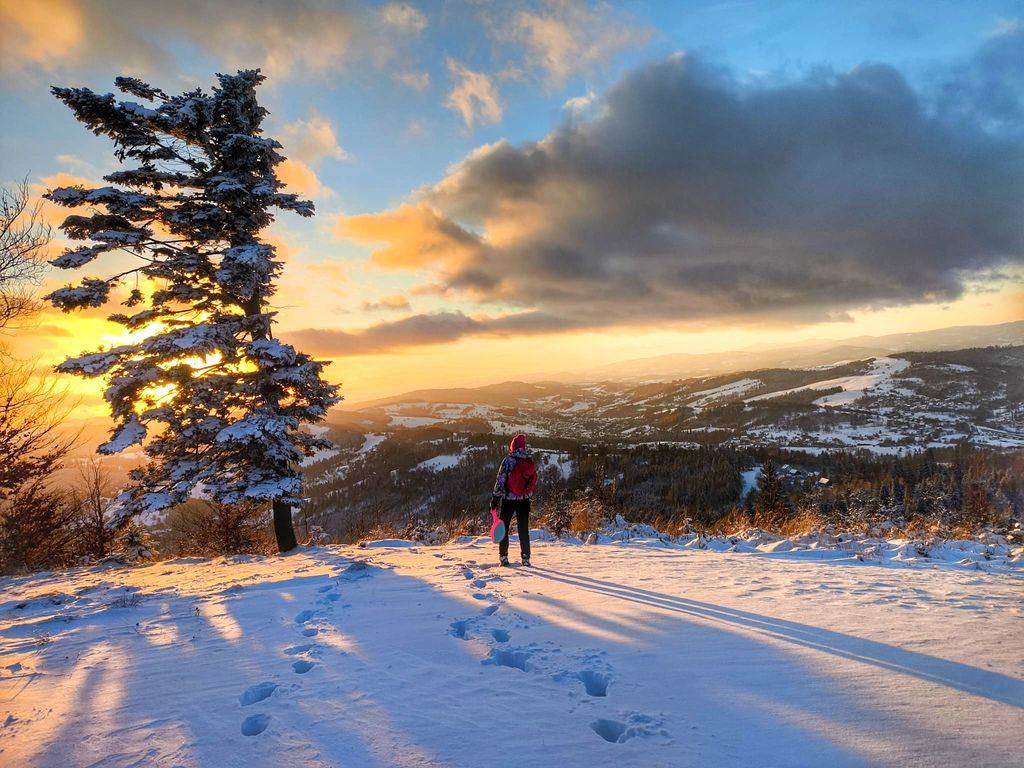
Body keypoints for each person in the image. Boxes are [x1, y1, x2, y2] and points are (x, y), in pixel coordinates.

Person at [490, 432, 538, 567]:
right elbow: (532, 482)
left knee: (503, 528)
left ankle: (504, 557)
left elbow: (500, 481)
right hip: (524, 500)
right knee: (523, 529)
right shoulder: (528, 461)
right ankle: (526, 558)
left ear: (513, 447)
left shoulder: (508, 461)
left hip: (508, 500)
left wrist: (495, 498)